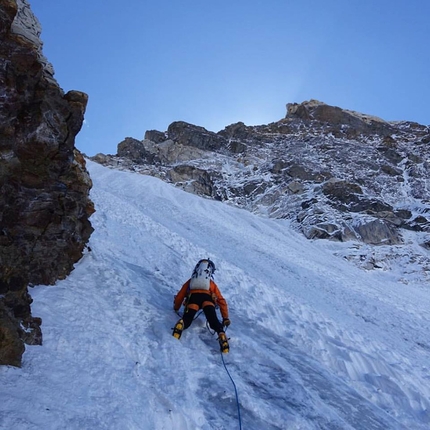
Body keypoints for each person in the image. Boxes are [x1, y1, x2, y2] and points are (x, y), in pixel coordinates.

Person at [172, 259, 231, 353]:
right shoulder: (210, 283)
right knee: (213, 320)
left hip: (193, 298)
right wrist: (225, 318)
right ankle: (221, 333)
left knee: (188, 317)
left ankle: (182, 323)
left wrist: (176, 308)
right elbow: (221, 300)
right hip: (207, 300)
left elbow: (180, 296)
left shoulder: (191, 281)